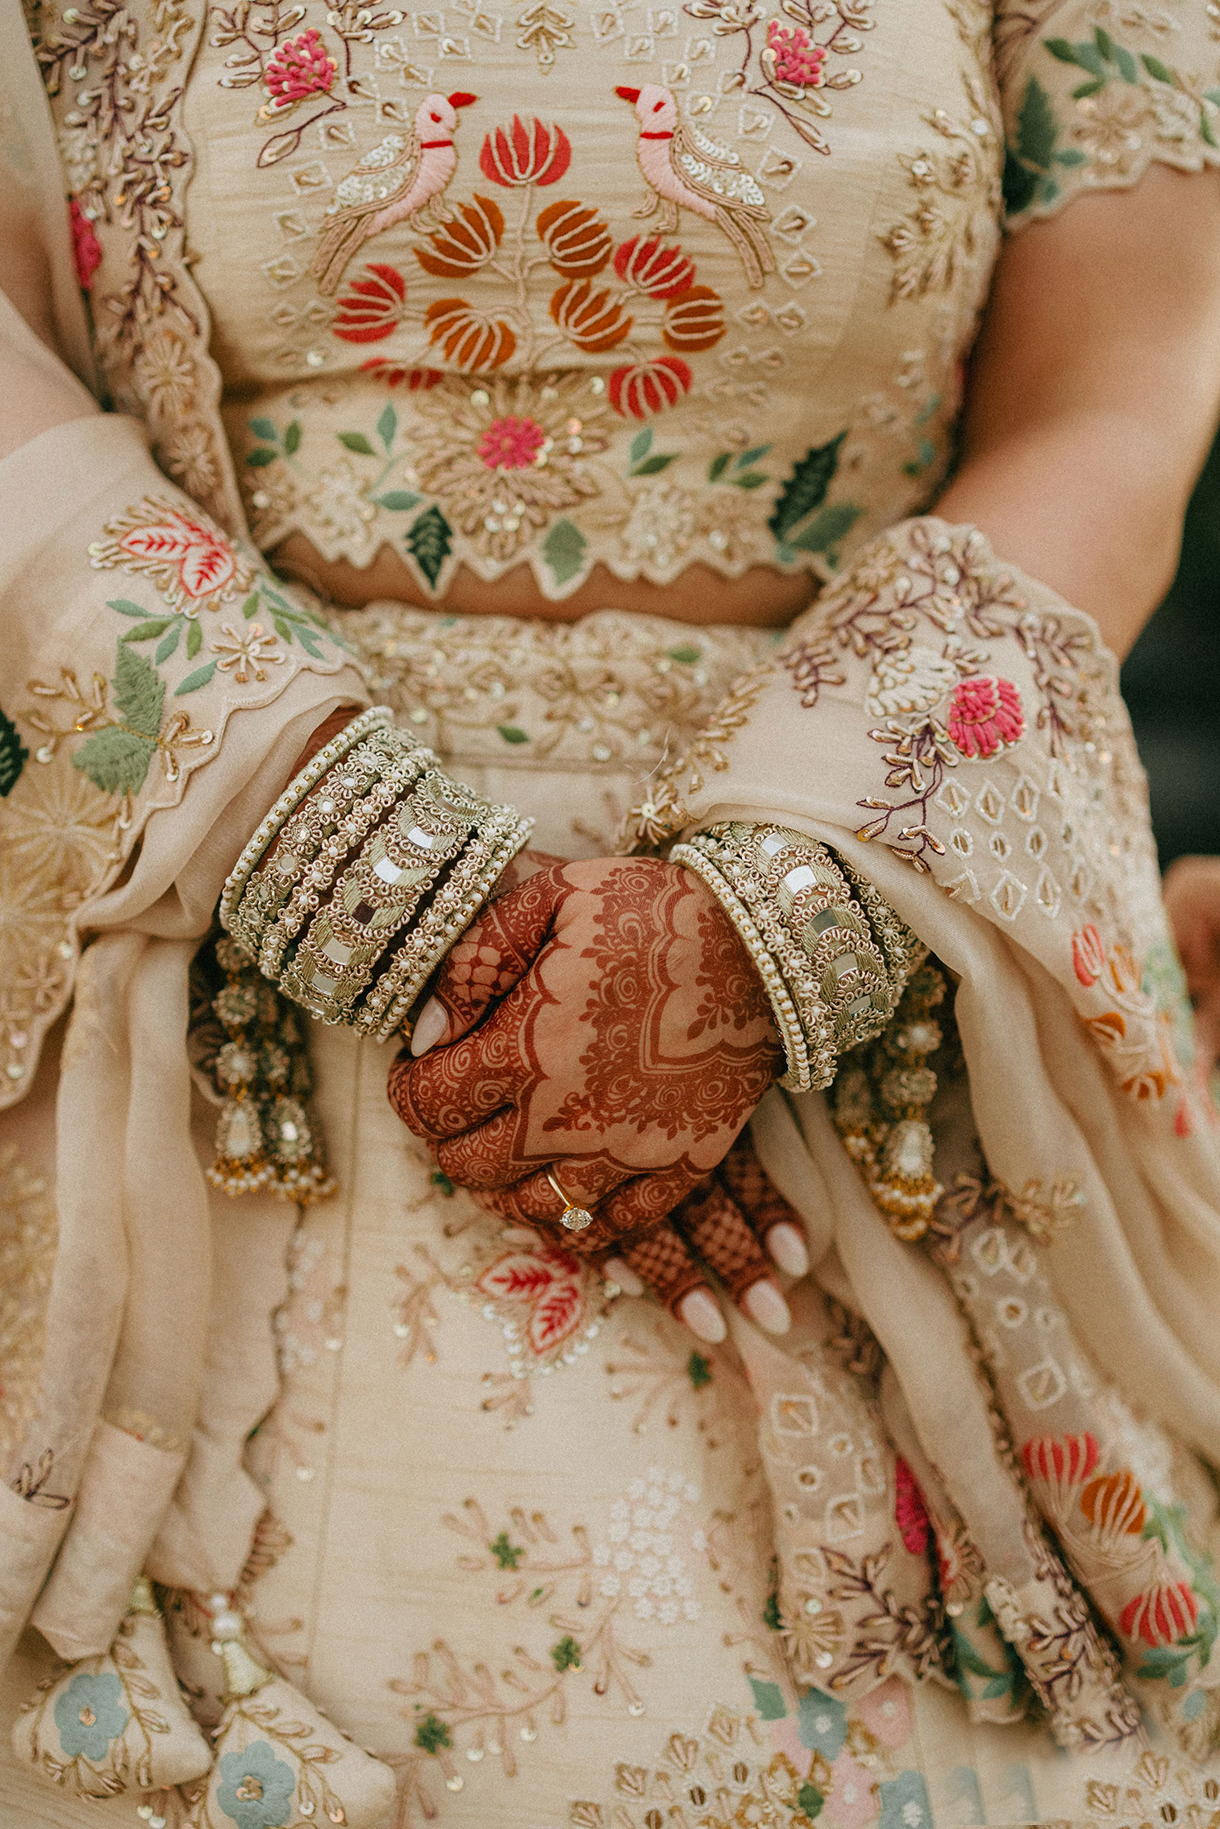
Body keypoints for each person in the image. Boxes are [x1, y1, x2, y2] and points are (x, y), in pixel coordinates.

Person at [3, 0, 1220, 1819]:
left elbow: (1121, 386)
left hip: (869, 963)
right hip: (214, 921)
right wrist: (331, 835)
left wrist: (779, 908)